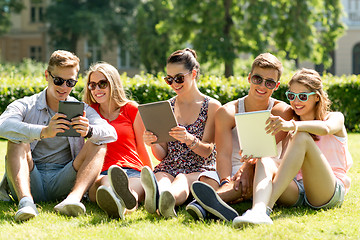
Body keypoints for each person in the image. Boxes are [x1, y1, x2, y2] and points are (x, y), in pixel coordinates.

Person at [0, 50, 117, 222]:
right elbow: (3, 125)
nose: (64, 87)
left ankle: (73, 200)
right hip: (31, 177)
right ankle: (26, 203)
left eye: (70, 82)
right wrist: (43, 132)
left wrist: (89, 131)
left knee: (99, 143)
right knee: (16, 139)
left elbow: (111, 133)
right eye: (59, 80)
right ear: (47, 75)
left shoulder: (81, 108)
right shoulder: (27, 104)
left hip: (65, 178)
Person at [232, 68, 353, 227]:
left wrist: (291, 125)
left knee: (302, 135)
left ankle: (266, 208)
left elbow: (325, 128)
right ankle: (258, 210)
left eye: (303, 96)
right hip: (298, 191)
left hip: (327, 191)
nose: (296, 101)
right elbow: (287, 167)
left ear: (317, 97)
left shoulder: (334, 118)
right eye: (292, 96)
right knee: (265, 159)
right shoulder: (291, 130)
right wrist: (256, 159)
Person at [187, 53, 293, 221]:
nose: (262, 86)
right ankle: (221, 199)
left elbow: (263, 149)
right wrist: (226, 181)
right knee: (209, 178)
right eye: (258, 79)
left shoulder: (282, 112)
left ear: (277, 86)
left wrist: (247, 169)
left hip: (264, 169)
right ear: (250, 77)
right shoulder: (227, 112)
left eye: (269, 82)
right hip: (229, 170)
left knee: (253, 176)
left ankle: (204, 205)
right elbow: (223, 154)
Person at [140, 48, 221, 218]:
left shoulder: (212, 106)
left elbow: (208, 151)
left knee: (182, 179)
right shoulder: (166, 106)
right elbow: (162, 155)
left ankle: (165, 199)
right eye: (169, 79)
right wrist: (153, 142)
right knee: (162, 177)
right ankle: (160, 197)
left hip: (199, 168)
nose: (174, 84)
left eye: (179, 78)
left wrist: (189, 139)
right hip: (170, 166)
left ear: (193, 73)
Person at [83, 62, 152, 219]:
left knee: (133, 191)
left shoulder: (131, 109)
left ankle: (123, 205)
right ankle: (114, 199)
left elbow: (141, 147)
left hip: (132, 169)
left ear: (113, 83)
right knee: (106, 183)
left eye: (102, 84)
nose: (97, 89)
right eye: (92, 85)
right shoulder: (88, 112)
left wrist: (151, 175)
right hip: (102, 172)